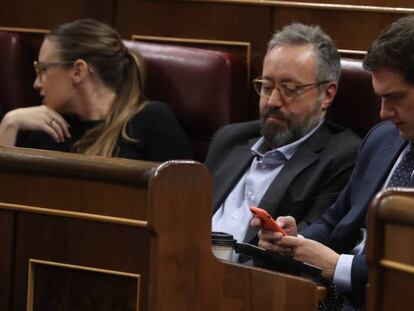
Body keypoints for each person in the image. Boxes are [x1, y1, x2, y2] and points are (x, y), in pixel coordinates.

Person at [254, 15, 414, 310]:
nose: (383, 113)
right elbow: (334, 220)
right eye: (379, 98)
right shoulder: (382, 139)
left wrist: (338, 266)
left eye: (395, 98)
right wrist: (293, 241)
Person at [205, 23, 361, 245]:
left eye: (290, 89)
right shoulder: (229, 139)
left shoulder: (342, 158)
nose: (272, 102)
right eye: (267, 86)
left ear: (327, 94)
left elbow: (317, 243)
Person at [0, 19, 193, 162]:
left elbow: (181, 203)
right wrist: (9, 124)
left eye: (43, 70)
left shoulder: (152, 121)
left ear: (78, 71)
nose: (36, 83)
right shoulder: (48, 128)